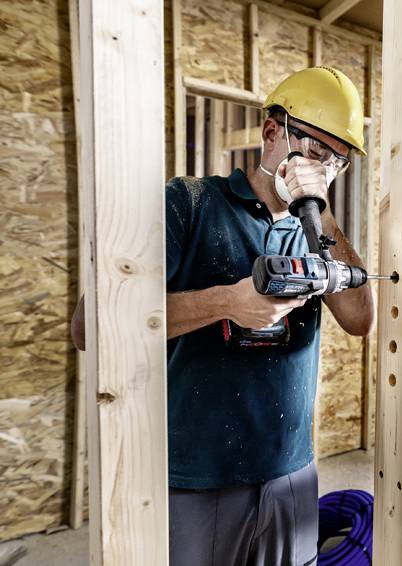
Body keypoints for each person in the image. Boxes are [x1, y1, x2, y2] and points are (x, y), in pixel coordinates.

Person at [70, 67, 374, 566]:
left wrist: (320, 210)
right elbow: (91, 327)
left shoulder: (318, 232)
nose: (323, 166)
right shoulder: (188, 203)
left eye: (337, 161)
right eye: (315, 149)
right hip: (196, 476)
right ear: (272, 132)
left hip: (289, 469)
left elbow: (362, 320)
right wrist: (227, 302)